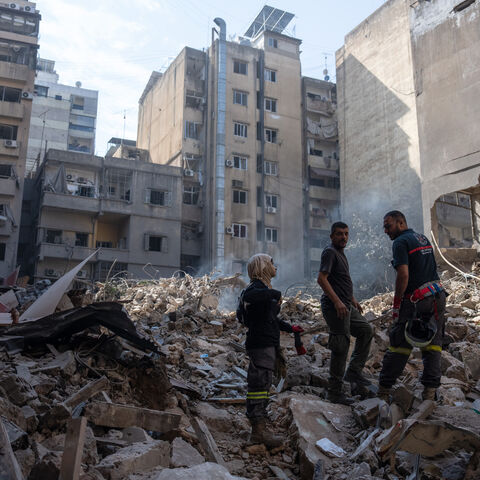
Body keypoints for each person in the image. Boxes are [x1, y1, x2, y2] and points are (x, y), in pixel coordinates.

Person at [237, 253, 305, 448]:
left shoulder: (262, 290)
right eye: (272, 263)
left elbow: (270, 319)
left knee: (264, 384)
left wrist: (290, 328)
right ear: (263, 267)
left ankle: (261, 424)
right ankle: (257, 431)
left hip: (265, 343)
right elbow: (250, 297)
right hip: (261, 344)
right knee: (259, 385)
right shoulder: (255, 289)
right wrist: (275, 294)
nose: (276, 267)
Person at [378, 211, 446, 401]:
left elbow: (403, 275)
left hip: (417, 300)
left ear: (401, 223)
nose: (385, 230)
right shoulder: (422, 238)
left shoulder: (400, 242)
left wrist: (397, 304)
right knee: (433, 344)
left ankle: (383, 390)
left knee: (400, 343)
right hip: (437, 296)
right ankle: (430, 394)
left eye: (388, 225)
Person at [317, 222, 373, 405]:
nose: (344, 237)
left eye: (346, 234)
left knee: (365, 330)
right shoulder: (330, 252)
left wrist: (352, 299)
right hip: (335, 306)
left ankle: (354, 372)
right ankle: (334, 392)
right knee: (341, 344)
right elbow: (322, 279)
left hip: (346, 304)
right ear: (332, 236)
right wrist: (337, 302)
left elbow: (340, 280)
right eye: (340, 234)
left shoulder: (340, 253)